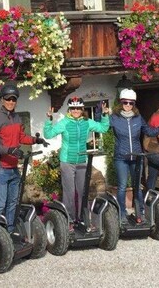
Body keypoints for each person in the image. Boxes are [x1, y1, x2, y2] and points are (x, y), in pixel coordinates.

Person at [0, 82, 46, 231]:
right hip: (0, 169)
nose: (11, 102)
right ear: (2, 100)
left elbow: (21, 137)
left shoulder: (17, 118)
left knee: (13, 203)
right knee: (0, 204)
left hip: (13, 169)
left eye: (13, 99)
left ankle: (10, 232)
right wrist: (9, 150)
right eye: (8, 99)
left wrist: (35, 140)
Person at [44, 96, 110, 228]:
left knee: (82, 191)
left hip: (81, 161)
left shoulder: (87, 122)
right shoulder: (64, 122)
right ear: (69, 109)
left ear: (82, 109)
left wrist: (104, 115)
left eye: (78, 108)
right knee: (69, 192)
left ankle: (82, 218)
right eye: (73, 108)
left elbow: (103, 128)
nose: (75, 110)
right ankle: (69, 220)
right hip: (67, 161)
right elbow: (48, 134)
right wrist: (49, 120)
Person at [109, 89, 159, 224]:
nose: (128, 105)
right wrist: (99, 115)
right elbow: (102, 127)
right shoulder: (114, 118)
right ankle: (122, 214)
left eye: (131, 103)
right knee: (122, 187)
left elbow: (149, 131)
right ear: (121, 103)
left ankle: (140, 212)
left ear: (134, 104)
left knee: (137, 186)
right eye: (125, 102)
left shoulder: (138, 118)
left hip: (137, 157)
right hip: (121, 157)